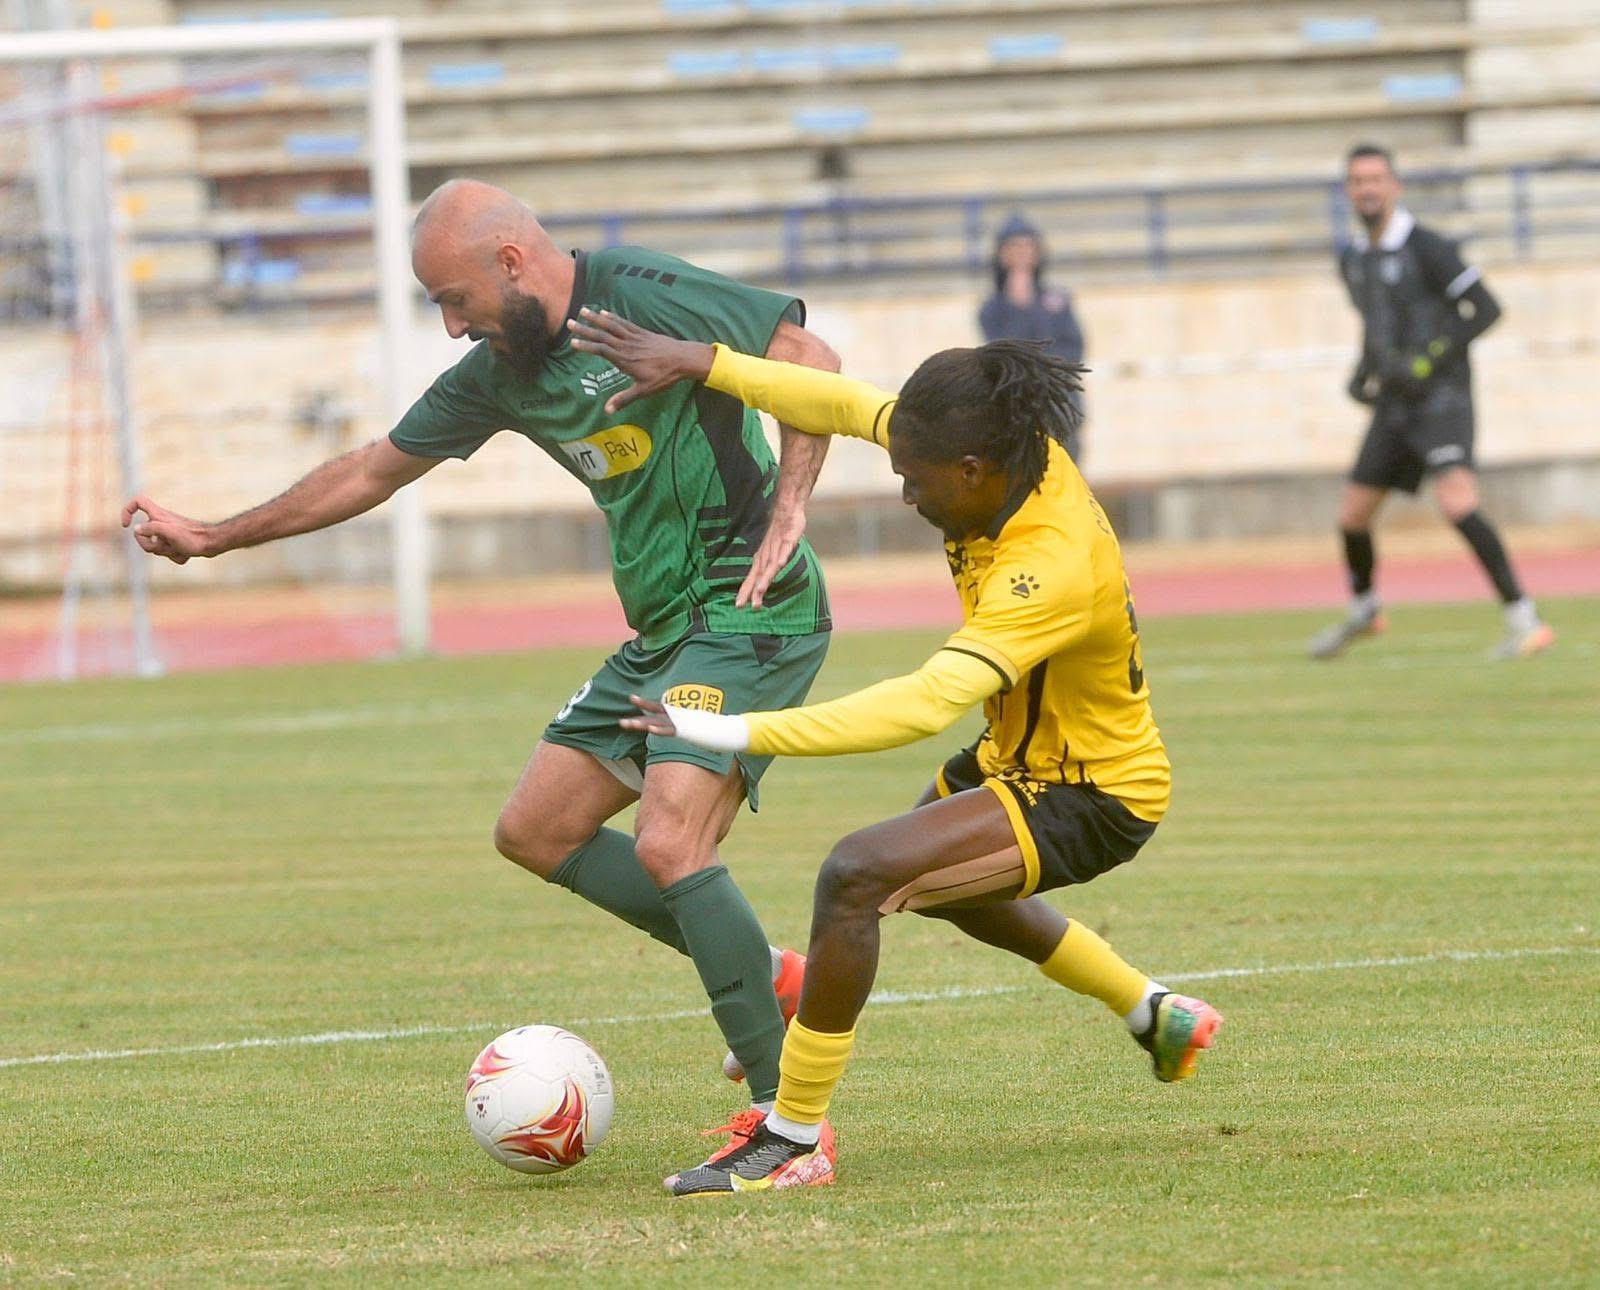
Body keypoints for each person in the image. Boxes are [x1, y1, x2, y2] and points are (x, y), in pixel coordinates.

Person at [119, 180, 841, 1146]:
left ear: (511, 262)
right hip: (666, 629)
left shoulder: (640, 293)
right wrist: (212, 536)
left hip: (753, 610)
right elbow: (373, 467)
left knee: (673, 843)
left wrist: (792, 503)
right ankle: (774, 979)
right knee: (537, 829)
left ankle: (783, 1123)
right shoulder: (506, 369)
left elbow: (807, 356)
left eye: (454, 299)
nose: (453, 326)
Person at [568, 307, 1223, 1196]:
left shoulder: (1053, 561)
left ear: (970, 469)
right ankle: (1154, 1012)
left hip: (1094, 794)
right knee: (945, 890)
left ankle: (792, 1138)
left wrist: (724, 729)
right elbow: (834, 400)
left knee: (859, 874)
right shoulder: (990, 449)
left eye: (916, 482)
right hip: (1015, 757)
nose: (907, 496)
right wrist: (702, 360)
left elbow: (922, 703)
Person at [1311, 144, 1554, 660]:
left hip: (1441, 401)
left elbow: (1485, 309)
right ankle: (1365, 609)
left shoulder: (1429, 247)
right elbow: (1376, 326)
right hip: (1393, 407)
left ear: (1395, 185)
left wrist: (1431, 357)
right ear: (1347, 191)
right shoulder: (1352, 258)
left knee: (1457, 502)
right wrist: (1362, 374)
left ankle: (1525, 620)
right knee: (1353, 515)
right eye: (1358, 180)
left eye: (1377, 178)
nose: (1368, 188)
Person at [978, 213, 1087, 461]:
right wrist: (1019, 304)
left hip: (1060, 409)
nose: (1022, 254)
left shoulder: (1058, 301)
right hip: (1015, 413)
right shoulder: (991, 310)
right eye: (1014, 247)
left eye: (1027, 246)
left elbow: (1073, 352)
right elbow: (1004, 354)